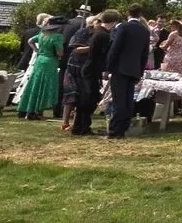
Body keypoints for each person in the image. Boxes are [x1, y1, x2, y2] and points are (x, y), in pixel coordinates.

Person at [103, 9, 151, 139]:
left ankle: (114, 130)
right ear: (140, 15)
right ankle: (123, 128)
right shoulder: (145, 30)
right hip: (134, 69)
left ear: (128, 14)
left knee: (119, 100)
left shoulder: (123, 27)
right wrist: (140, 71)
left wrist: (108, 68)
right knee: (129, 101)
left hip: (120, 68)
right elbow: (145, 54)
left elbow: (115, 48)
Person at [62, 11, 106, 135]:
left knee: (89, 98)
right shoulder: (83, 32)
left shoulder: (102, 34)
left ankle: (82, 125)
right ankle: (72, 124)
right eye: (99, 22)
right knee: (75, 96)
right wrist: (92, 47)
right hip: (76, 67)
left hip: (91, 68)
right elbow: (76, 49)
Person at [16, 15, 65, 119]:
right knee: (45, 86)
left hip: (40, 60)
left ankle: (28, 109)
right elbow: (60, 53)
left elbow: (30, 41)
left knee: (35, 84)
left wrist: (37, 50)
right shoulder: (57, 37)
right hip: (50, 61)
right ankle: (38, 110)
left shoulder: (42, 34)